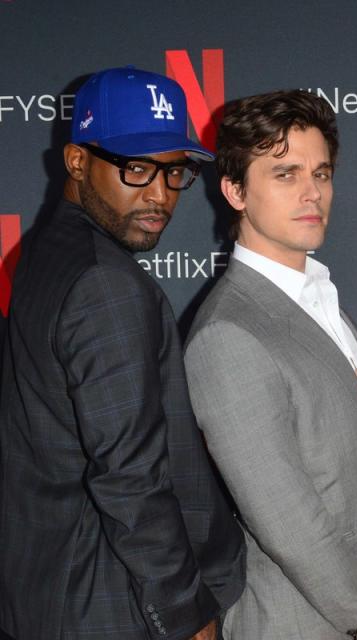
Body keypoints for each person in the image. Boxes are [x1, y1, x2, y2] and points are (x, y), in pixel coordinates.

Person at [0, 66, 245, 640]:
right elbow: (130, 478)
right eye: (137, 168)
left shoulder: (44, 250)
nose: (159, 195)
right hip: (105, 602)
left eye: (174, 171)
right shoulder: (104, 285)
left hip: (48, 591)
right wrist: (185, 614)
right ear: (78, 161)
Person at [183, 90, 357, 640]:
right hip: (298, 623)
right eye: (285, 174)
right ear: (234, 191)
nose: (311, 192)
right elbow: (289, 524)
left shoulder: (322, 300)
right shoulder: (228, 333)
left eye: (321, 174)